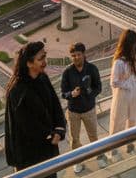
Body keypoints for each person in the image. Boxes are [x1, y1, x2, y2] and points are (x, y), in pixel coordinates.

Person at [4, 41, 67, 173]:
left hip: (48, 149)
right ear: (29, 63)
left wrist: (59, 130)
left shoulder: (42, 78)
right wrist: (50, 135)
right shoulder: (17, 90)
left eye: (45, 56)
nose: (45, 61)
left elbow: (55, 106)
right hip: (29, 156)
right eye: (41, 59)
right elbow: (26, 125)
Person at [60, 42, 108, 174]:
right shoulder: (67, 72)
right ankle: (78, 161)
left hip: (89, 109)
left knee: (93, 136)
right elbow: (63, 92)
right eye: (73, 55)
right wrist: (71, 94)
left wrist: (89, 93)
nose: (76, 58)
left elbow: (99, 87)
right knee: (74, 139)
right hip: (73, 112)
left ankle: (99, 156)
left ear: (84, 54)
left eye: (78, 54)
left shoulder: (92, 69)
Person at [108, 28, 136, 158]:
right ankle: (112, 149)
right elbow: (114, 82)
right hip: (123, 95)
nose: (135, 46)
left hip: (135, 95)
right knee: (117, 122)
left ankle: (130, 145)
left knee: (132, 120)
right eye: (133, 43)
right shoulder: (119, 61)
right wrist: (129, 85)